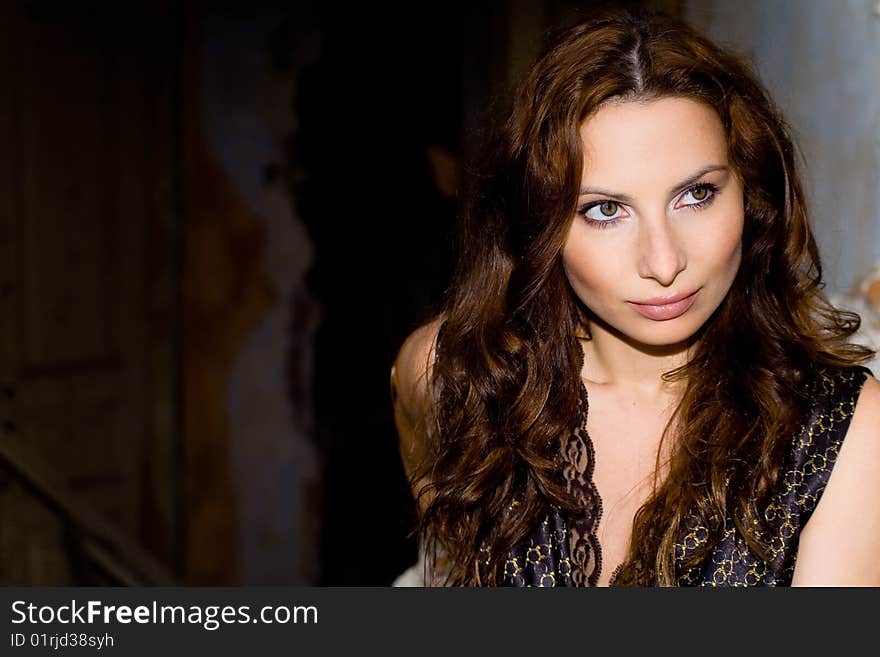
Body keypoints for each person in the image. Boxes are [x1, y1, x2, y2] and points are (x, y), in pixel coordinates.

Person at [389, 7, 880, 587]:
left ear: (751, 192)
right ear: (537, 222)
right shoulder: (450, 375)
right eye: (605, 210)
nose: (665, 263)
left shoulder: (838, 429)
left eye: (696, 194)